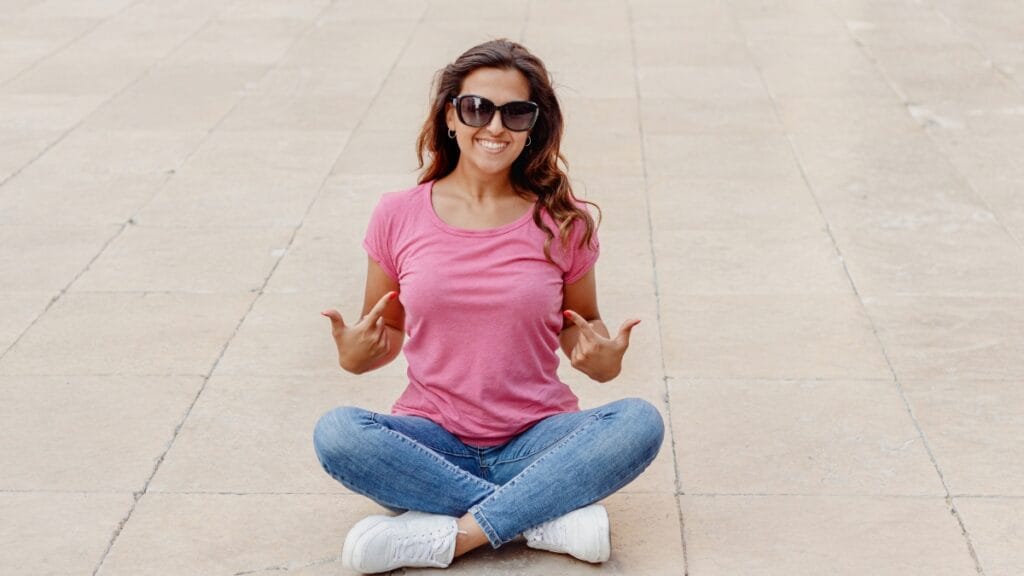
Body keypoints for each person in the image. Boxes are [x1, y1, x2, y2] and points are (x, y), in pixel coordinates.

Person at [313, 38, 664, 574]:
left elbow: (580, 323)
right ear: (450, 116)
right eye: (478, 108)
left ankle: (454, 533)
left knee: (639, 422)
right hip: (432, 440)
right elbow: (380, 336)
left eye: (516, 113)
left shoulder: (563, 220)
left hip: (537, 438)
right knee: (338, 434)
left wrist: (602, 356)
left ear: (533, 126)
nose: (495, 127)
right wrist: (355, 353)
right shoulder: (397, 214)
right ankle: (540, 515)